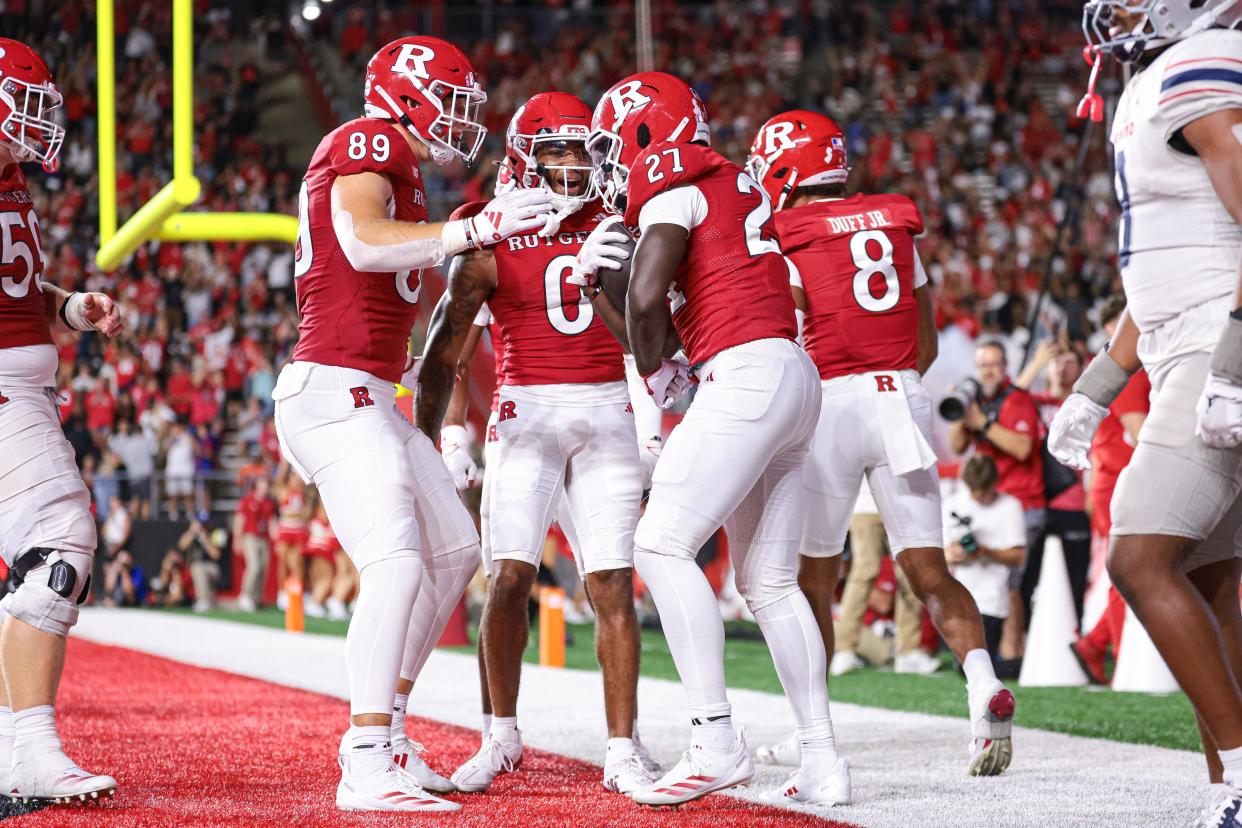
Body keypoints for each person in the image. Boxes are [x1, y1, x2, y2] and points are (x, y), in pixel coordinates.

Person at [272, 36, 549, 812]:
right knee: (396, 560)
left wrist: (449, 425)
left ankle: (386, 729)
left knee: (456, 552)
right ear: (408, 95)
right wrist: (475, 230)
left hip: (370, 395)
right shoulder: (369, 140)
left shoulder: (399, 163)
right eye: (454, 104)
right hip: (334, 392)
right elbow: (360, 242)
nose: (463, 123)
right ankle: (364, 759)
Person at [582, 73, 847, 806]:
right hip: (792, 374)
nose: (609, 166)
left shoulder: (673, 182)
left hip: (746, 373)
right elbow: (652, 320)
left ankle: (714, 739)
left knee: (659, 544)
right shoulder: (727, 182)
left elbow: (647, 306)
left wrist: (646, 345)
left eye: (613, 147)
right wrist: (593, 287)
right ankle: (823, 759)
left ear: (642, 133)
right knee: (769, 583)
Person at [744, 109, 1014, 777]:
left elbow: (786, 332)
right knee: (928, 571)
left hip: (832, 402)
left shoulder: (788, 234)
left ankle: (816, 735)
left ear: (785, 168)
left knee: (812, 576)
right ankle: (982, 684)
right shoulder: (896, 224)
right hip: (902, 398)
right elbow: (923, 342)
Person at [418, 91, 651, 795]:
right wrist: (441, 433)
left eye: (583, 149)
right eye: (557, 150)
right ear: (526, 157)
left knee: (611, 581)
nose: (574, 164)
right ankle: (501, 736)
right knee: (510, 576)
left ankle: (622, 748)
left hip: (608, 409)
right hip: (526, 413)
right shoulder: (491, 235)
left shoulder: (620, 223)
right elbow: (448, 346)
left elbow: (648, 334)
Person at [1051, 3, 1242, 818]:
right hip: (1183, 344)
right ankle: (1227, 793)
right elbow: (1163, 271)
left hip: (1216, 342)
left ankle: (1239, 777)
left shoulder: (1207, 57)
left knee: (1138, 557)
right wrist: (1097, 386)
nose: (1116, 9)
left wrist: (1231, 361)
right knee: (1211, 580)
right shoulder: (1160, 79)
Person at [0, 36, 122, 804]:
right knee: (60, 541)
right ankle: (31, 749)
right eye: (25, 107)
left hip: (22, 388)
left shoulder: (9, 179)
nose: (35, 126)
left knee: (38, 556)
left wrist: (69, 307)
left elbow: (18, 284)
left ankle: (17, 747)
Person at [1070, 298, 1150, 684]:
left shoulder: (1118, 367)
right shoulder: (1127, 371)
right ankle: (1117, 651)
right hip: (1120, 480)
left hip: (1116, 479)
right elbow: (1139, 432)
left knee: (1133, 568)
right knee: (1129, 569)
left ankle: (1097, 642)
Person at [949, 339, 1045, 659]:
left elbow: (1022, 448)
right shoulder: (976, 399)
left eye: (994, 364)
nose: (988, 372)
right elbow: (958, 445)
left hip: (1021, 501)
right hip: (987, 503)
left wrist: (983, 424)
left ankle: (1012, 652)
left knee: (1011, 581)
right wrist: (961, 414)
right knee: (991, 578)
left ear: (1005, 367)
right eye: (983, 365)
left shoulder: (1017, 400)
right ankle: (990, 649)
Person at [1022, 344, 1092, 627]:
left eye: (1069, 362)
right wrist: (1036, 362)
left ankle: (1074, 639)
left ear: (1081, 367)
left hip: (1074, 503)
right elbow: (1009, 398)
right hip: (1036, 502)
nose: (1062, 367)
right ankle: (1027, 638)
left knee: (1075, 577)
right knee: (1028, 577)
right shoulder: (1035, 401)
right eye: (1056, 361)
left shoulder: (1087, 405)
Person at [942, 457, 1027, 661]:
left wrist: (985, 552)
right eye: (975, 493)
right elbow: (942, 553)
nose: (980, 498)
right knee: (968, 665)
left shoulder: (1010, 506)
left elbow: (1018, 557)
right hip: (961, 599)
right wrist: (952, 554)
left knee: (997, 664)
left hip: (995, 599)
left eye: (985, 493)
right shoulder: (953, 503)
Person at [232, 476, 276, 613]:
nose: (266, 486)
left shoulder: (269, 502)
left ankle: (256, 598)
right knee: (254, 566)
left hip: (263, 538)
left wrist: (277, 537)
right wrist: (237, 539)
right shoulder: (247, 500)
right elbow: (240, 520)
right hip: (250, 537)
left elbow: (271, 522)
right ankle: (245, 595)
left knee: (263, 568)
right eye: (263, 483)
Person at [180, 517, 222, 612]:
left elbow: (216, 555)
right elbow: (182, 545)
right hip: (196, 569)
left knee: (198, 568)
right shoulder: (193, 534)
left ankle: (203, 601)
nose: (202, 527)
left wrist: (204, 540)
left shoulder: (215, 533)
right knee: (197, 568)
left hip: (213, 568)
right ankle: (207, 602)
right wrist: (192, 532)